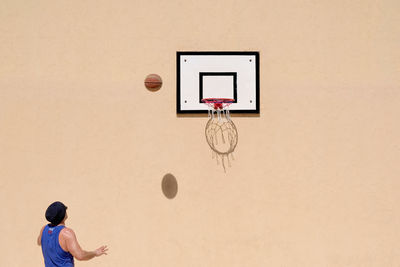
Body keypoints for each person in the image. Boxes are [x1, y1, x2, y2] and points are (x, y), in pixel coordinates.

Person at [37, 201, 108, 266]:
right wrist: (95, 253)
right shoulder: (66, 233)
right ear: (63, 215)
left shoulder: (44, 229)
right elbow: (80, 256)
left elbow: (39, 242)